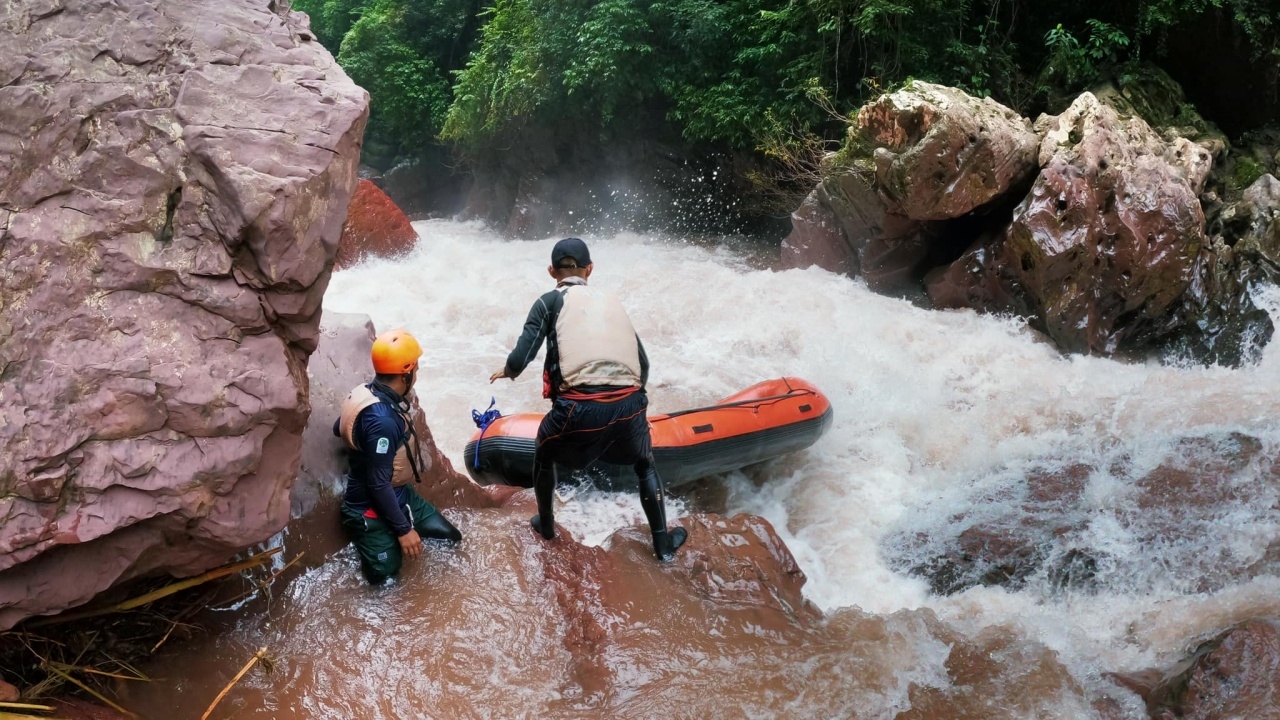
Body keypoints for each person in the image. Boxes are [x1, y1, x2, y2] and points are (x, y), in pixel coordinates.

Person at [490, 238, 687, 561]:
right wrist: (630, 405)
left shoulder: (549, 302)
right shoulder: (613, 302)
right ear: (590, 269)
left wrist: (507, 371)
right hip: (630, 404)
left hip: (578, 410)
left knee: (544, 451)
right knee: (644, 463)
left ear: (552, 271)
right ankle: (662, 544)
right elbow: (644, 365)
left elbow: (521, 357)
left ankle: (547, 525)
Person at [335, 329, 461, 584]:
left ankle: (400, 526)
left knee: (450, 538)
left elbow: (337, 426)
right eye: (416, 368)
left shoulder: (368, 391)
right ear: (406, 374)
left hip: (400, 494)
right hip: (367, 508)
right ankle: (380, 542)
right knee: (387, 581)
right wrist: (404, 530)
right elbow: (377, 483)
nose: (417, 374)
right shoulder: (382, 421)